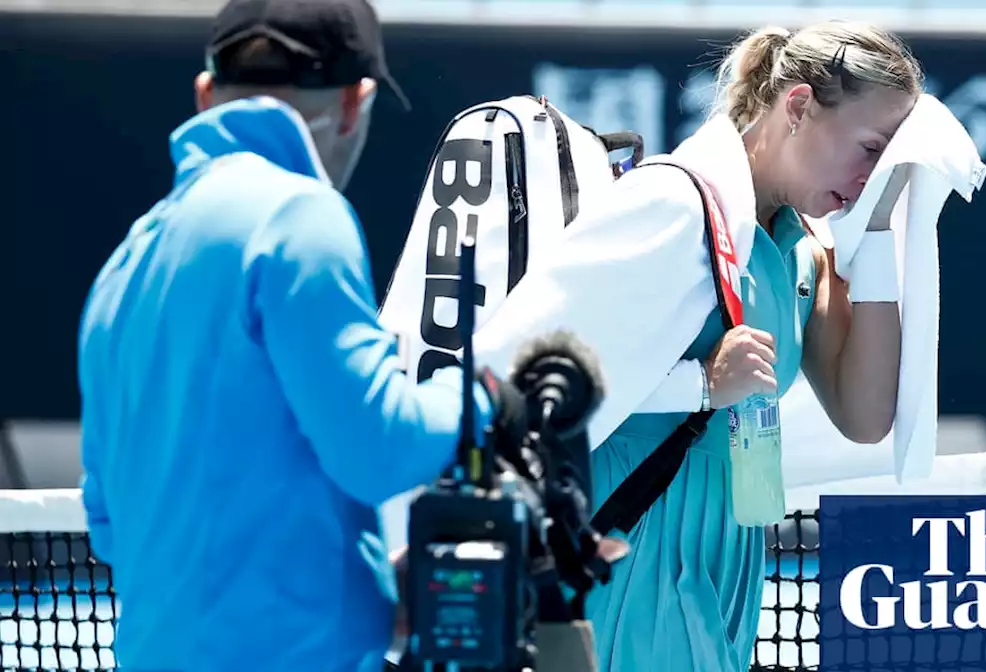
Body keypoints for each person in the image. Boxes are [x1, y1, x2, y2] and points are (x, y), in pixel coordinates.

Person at [469, 20, 923, 672]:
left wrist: (879, 230)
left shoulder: (805, 251)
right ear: (797, 107)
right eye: (870, 149)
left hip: (731, 550)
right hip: (630, 534)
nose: (871, 177)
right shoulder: (672, 201)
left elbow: (866, 415)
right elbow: (523, 373)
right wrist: (702, 383)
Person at [75, 1, 491, 670]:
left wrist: (360, 591)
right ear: (357, 104)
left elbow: (109, 524)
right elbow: (381, 451)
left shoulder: (124, 264)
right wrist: (483, 395)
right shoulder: (300, 215)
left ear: (205, 95)